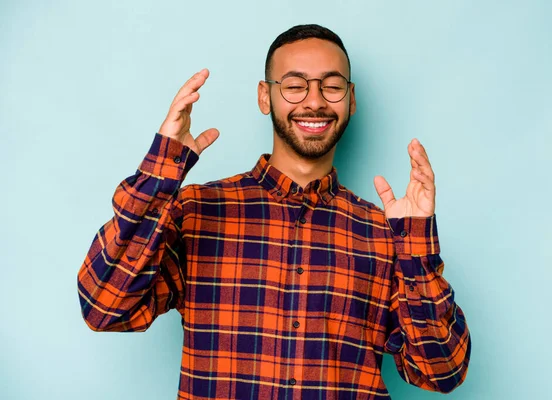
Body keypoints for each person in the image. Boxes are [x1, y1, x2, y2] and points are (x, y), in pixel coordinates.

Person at [77, 24, 471, 399]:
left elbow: (442, 372)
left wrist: (416, 247)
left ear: (351, 100)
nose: (314, 101)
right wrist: (161, 170)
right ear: (265, 97)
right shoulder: (197, 212)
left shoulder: (383, 233)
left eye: (331, 86)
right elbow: (104, 307)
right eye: (295, 86)